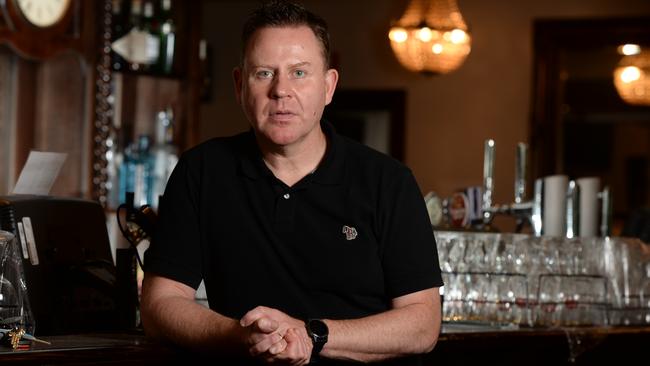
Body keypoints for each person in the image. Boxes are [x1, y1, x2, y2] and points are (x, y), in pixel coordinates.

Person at [141, 1, 443, 364]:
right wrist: (240, 336)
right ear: (240, 85)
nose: (281, 90)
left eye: (299, 73)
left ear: (328, 86)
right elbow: (160, 304)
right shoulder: (201, 171)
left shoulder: (388, 182)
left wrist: (312, 334)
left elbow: (423, 323)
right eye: (264, 73)